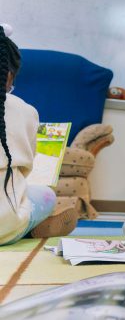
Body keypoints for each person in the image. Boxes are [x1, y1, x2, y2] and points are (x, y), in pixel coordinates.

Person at [0, 24, 59, 245]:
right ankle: (33, 225)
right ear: (8, 77)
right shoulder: (26, 111)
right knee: (45, 194)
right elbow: (26, 169)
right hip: (4, 227)